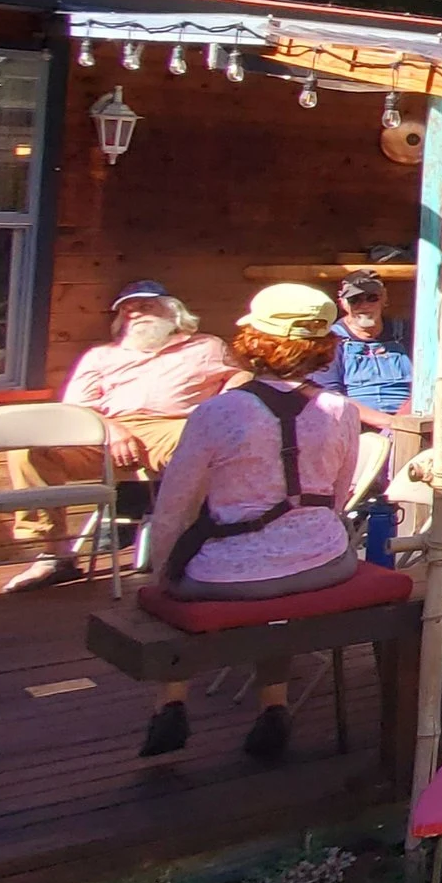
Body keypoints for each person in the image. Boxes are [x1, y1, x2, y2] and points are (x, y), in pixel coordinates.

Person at [137, 284, 362, 761]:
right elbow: (337, 498)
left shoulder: (217, 412)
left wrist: (162, 569)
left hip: (228, 575)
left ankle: (170, 703)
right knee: (277, 603)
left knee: (181, 580)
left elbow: (174, 506)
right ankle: (273, 707)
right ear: (323, 345)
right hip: (325, 561)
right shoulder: (342, 410)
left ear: (254, 340)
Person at [10, 279, 241, 592]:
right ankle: (54, 555)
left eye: (146, 306)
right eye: (127, 310)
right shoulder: (100, 356)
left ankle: (186, 550)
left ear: (173, 312)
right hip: (104, 431)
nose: (135, 314)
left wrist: (223, 403)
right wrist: (111, 430)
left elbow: (240, 376)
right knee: (30, 451)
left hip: (173, 428)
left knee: (201, 445)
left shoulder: (206, 347)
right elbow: (75, 409)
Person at [317, 271, 415, 502]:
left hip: (410, 416)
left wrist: (405, 417)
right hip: (356, 422)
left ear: (384, 298)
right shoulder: (331, 340)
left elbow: (431, 379)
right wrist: (387, 422)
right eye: (355, 300)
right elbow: (331, 396)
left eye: (372, 297)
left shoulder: (407, 332)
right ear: (342, 303)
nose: (364, 305)